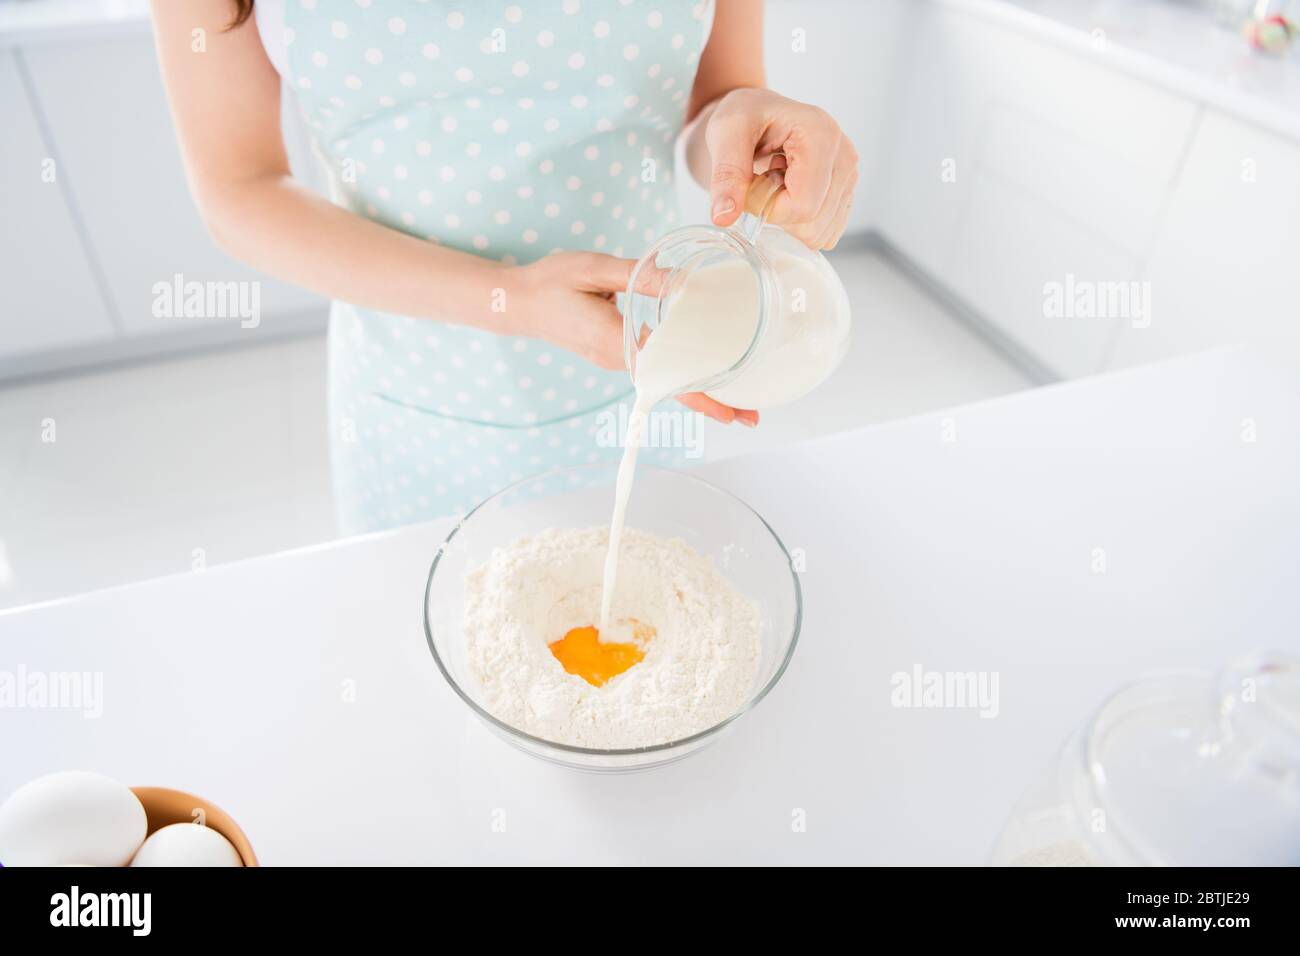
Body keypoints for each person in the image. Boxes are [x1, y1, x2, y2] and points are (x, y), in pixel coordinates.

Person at [151, 0, 858, 533]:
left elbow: (714, 104)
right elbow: (236, 188)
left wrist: (749, 124)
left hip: (643, 361)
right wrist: (509, 298)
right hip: (418, 398)